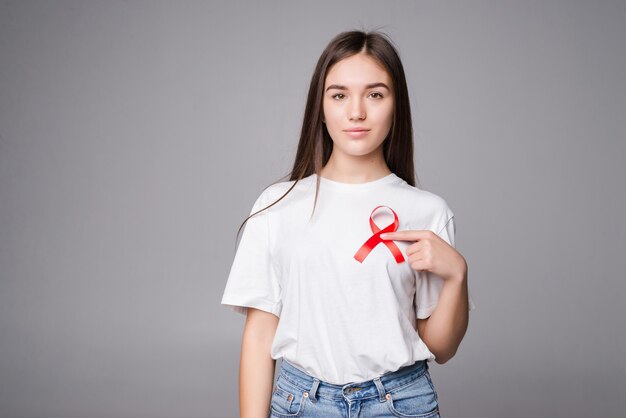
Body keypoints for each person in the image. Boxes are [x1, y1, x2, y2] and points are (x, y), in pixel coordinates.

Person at [221, 30, 475, 418]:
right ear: (320, 106)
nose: (356, 112)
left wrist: (458, 274)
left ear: (396, 104)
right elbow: (259, 337)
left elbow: (441, 348)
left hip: (400, 403)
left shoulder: (428, 212)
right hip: (301, 403)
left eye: (375, 94)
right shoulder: (278, 206)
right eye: (339, 95)